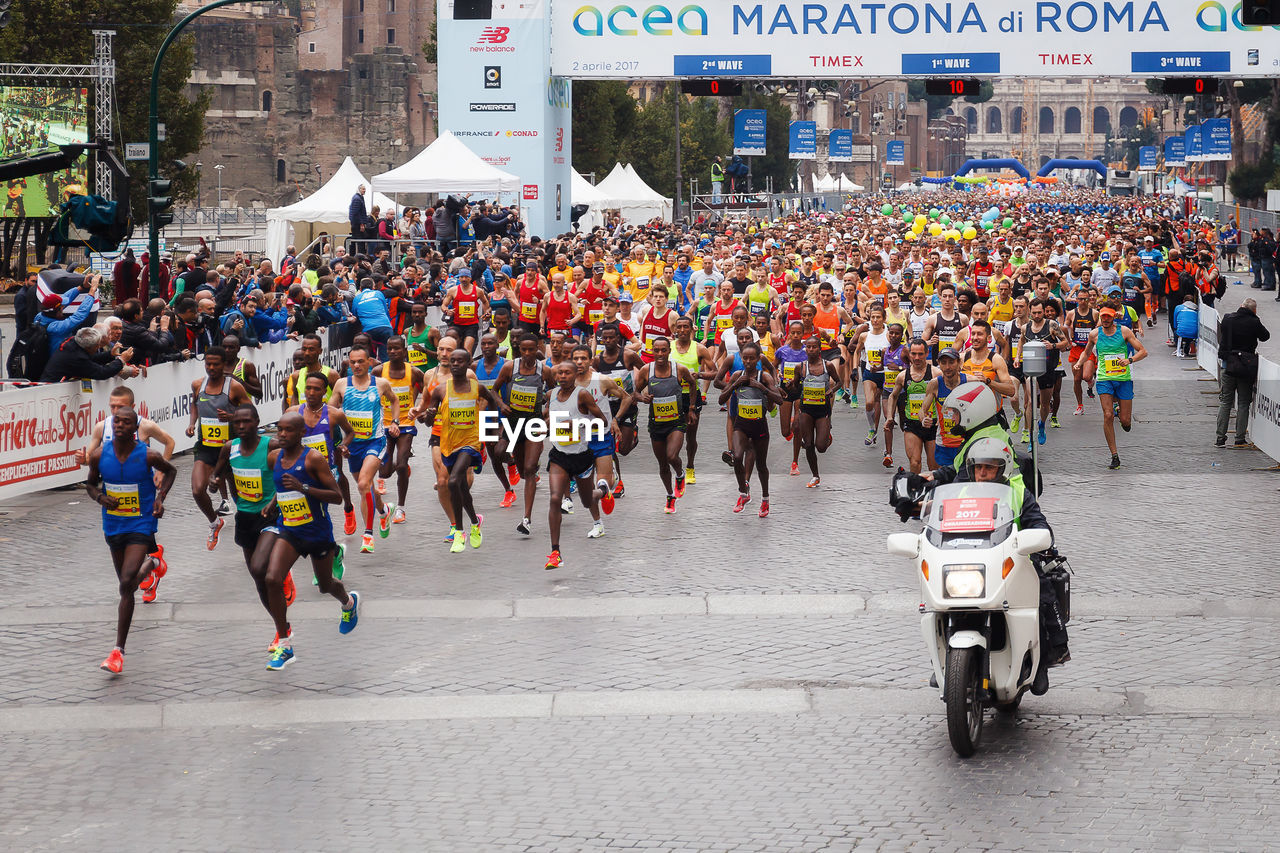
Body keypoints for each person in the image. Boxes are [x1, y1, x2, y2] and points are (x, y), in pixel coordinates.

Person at [261, 412, 361, 670]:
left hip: (316, 532)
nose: (281, 435)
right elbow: (281, 487)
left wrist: (302, 488)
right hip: (290, 530)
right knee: (272, 578)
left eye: (287, 431)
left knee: (325, 585)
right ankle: (284, 645)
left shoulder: (313, 459)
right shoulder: (275, 458)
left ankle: (348, 602)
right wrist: (273, 504)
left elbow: (336, 496)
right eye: (279, 430)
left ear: (301, 433)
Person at [84, 407, 177, 675]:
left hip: (140, 522)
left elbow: (170, 472)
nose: (121, 425)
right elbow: (91, 485)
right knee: (127, 587)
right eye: (117, 421)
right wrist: (101, 497)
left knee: (126, 583)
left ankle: (117, 652)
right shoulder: (100, 455)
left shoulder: (148, 454)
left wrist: (160, 498)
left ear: (135, 428)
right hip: (113, 524)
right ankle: (154, 562)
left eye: (127, 422)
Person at [418, 348, 507, 554]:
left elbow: (493, 403)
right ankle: (475, 522)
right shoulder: (440, 390)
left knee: (452, 481)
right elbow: (428, 422)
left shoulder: (477, 388)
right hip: (448, 443)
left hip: (470, 442)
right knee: (461, 488)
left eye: (460, 361)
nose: (456, 364)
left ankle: (459, 531)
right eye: (453, 361)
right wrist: (429, 415)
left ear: (468, 365)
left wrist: (493, 432)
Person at [542, 361, 612, 568]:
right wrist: (545, 426)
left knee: (586, 499)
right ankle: (555, 552)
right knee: (555, 498)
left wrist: (579, 423)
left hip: (581, 456)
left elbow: (603, 422)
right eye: (559, 373)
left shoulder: (582, 395)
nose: (563, 376)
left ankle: (602, 493)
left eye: (567, 373)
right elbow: (549, 418)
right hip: (559, 456)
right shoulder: (551, 395)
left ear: (575, 375)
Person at [330, 344, 399, 552]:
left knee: (362, 485)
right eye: (353, 362)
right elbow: (330, 411)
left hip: (375, 441)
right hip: (353, 446)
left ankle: (368, 534)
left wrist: (394, 421)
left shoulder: (380, 384)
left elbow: (394, 401)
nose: (357, 365)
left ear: (369, 362)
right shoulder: (342, 385)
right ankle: (384, 510)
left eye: (361, 361)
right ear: (348, 363)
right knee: (367, 487)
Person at [186, 346, 252, 548]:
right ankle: (215, 522)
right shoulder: (198, 384)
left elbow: (250, 412)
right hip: (206, 447)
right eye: (208, 364)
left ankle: (248, 527)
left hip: (232, 448)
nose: (211, 368)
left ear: (224, 365)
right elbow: (194, 404)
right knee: (198, 490)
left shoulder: (234, 387)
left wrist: (232, 417)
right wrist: (191, 423)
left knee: (239, 495)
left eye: (216, 364)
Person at [1080, 304, 1148, 470]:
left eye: (1108, 316)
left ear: (1113, 317)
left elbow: (1143, 351)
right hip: (1104, 379)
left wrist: (1130, 360)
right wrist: (1079, 363)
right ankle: (1114, 455)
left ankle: (1125, 421)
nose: (1105, 319)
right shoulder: (1094, 334)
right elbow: (1087, 352)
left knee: (1125, 420)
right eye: (1103, 316)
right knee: (1108, 415)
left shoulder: (1124, 331)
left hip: (1123, 379)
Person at [719, 342, 783, 516]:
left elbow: (779, 400)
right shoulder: (737, 375)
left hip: (759, 426)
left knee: (761, 465)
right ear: (741, 357)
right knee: (737, 457)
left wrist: (762, 388)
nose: (748, 361)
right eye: (745, 358)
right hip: (741, 425)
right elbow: (720, 399)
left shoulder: (765, 377)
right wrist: (734, 385)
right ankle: (743, 492)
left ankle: (765, 499)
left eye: (752, 358)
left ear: (758, 359)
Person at [373, 336, 424, 520]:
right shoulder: (379, 371)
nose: (393, 352)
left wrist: (421, 410)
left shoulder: (415, 372)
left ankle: (401, 508)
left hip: (405, 424)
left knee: (402, 465)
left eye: (397, 348)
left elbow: (427, 393)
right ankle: (399, 466)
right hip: (384, 424)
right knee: (385, 472)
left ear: (404, 350)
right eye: (390, 349)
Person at [1216, 298, 1270, 448]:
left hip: (1228, 364)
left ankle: (1220, 437)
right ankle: (1239, 438)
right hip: (1245, 367)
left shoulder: (1227, 318)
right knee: (1243, 403)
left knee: (1225, 401)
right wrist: (1255, 318)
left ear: (1241, 306)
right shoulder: (1254, 322)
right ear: (1254, 310)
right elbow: (1265, 336)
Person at [40, 326, 136, 382]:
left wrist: (110, 354)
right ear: (88, 347)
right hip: (53, 388)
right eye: (97, 346)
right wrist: (121, 360)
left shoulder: (75, 342)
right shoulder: (77, 358)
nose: (99, 347)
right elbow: (101, 372)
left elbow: (91, 358)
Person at [1172, 294, 1199, 360]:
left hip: (1181, 331)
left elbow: (1175, 323)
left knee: (1177, 331)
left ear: (1183, 301)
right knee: (1189, 329)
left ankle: (1180, 348)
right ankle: (1187, 347)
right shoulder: (1197, 309)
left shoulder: (1178, 307)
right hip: (1194, 332)